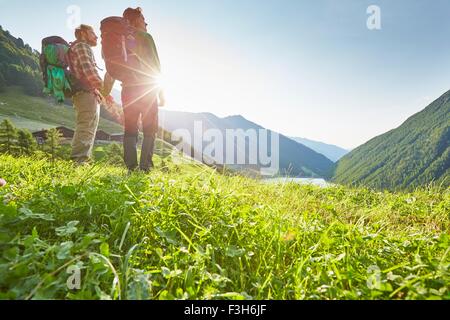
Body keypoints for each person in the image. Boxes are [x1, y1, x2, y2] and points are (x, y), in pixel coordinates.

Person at [104, 7, 165, 173]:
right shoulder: (145, 37)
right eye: (143, 18)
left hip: (127, 92)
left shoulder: (120, 40)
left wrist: (105, 92)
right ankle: (145, 167)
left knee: (130, 129)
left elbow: (111, 71)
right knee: (150, 130)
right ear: (136, 19)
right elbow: (155, 66)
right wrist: (161, 93)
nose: (146, 22)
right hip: (146, 91)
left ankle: (131, 167)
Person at [69, 24, 121, 164]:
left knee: (88, 127)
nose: (96, 36)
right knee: (86, 126)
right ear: (83, 33)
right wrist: (105, 92)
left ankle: (82, 160)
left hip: (88, 92)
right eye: (92, 32)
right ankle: (79, 162)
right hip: (85, 93)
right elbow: (89, 72)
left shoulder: (79, 47)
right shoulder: (81, 46)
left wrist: (99, 92)